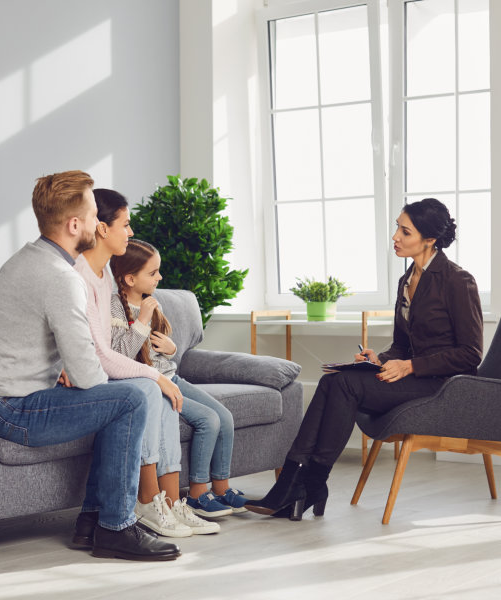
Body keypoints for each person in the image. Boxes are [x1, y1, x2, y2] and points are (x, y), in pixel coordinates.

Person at [0, 171, 180, 561]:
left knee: (124, 395)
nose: (100, 224)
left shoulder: (27, 259)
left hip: (5, 400)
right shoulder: (60, 277)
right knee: (129, 398)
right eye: (94, 215)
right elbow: (88, 374)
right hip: (12, 408)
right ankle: (116, 527)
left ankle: (91, 523)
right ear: (74, 224)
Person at [245, 197, 483, 520]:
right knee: (333, 380)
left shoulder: (458, 280)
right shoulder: (406, 280)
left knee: (344, 386)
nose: (395, 237)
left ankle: (307, 484)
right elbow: (402, 344)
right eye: (396, 228)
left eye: (405, 231)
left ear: (429, 240)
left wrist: (410, 365)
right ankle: (296, 481)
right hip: (412, 378)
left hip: (441, 387)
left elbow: (470, 354)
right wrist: (380, 357)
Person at [73, 189, 204, 537]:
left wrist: (161, 370)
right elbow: (105, 353)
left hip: (103, 370)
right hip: (88, 376)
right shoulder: (82, 279)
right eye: (126, 225)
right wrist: (155, 375)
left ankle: (170, 502)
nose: (131, 232)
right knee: (147, 389)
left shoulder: (101, 279)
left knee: (161, 394)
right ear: (102, 229)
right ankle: (146, 501)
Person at [109, 239, 250, 524]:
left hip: (172, 376)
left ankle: (221, 488)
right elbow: (119, 354)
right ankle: (198, 493)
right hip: (150, 383)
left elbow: (164, 341)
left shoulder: (151, 300)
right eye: (153, 273)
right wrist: (143, 320)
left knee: (224, 416)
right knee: (208, 420)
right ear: (129, 278)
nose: (159, 278)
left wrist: (172, 348)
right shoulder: (115, 308)